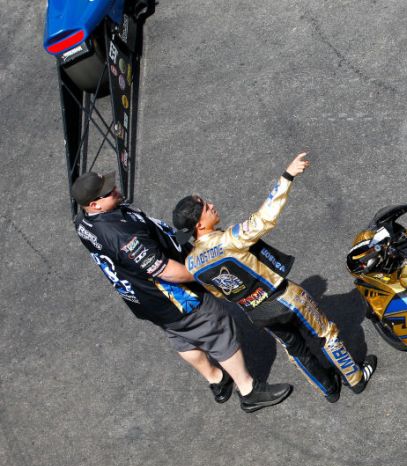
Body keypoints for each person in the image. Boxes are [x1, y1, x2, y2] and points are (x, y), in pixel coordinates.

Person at [72, 171, 293, 413]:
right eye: (108, 191)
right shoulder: (121, 236)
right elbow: (165, 271)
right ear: (95, 204)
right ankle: (249, 391)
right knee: (217, 329)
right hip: (177, 298)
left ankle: (217, 379)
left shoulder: (84, 223)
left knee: (182, 338)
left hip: (146, 301)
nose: (115, 189)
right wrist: (203, 268)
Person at [171, 151, 375, 403]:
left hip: (256, 312)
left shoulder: (191, 263)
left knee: (295, 349)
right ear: (199, 224)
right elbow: (264, 219)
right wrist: (287, 176)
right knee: (326, 334)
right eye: (205, 207)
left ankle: (328, 390)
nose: (212, 205)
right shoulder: (228, 239)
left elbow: (217, 291)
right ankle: (355, 378)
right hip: (285, 296)